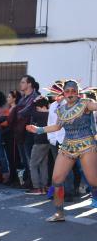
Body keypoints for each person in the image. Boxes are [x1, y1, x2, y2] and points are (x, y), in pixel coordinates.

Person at [26, 80, 97, 221]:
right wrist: (39, 129)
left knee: (93, 181)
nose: (70, 94)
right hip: (67, 146)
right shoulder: (61, 109)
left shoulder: (85, 103)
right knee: (57, 180)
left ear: (77, 92)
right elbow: (57, 127)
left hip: (86, 145)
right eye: (68, 91)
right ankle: (59, 214)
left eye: (73, 91)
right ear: (63, 93)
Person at [26, 97, 51, 195]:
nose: (36, 109)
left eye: (37, 107)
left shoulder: (39, 114)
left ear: (42, 107)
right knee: (43, 164)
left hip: (39, 142)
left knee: (33, 164)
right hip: (48, 141)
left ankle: (36, 188)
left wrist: (34, 101)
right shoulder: (50, 113)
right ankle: (44, 187)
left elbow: (29, 110)